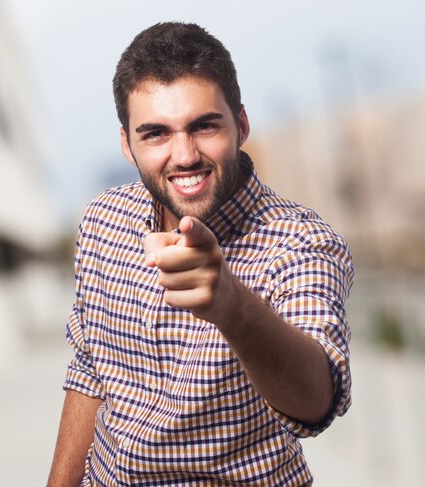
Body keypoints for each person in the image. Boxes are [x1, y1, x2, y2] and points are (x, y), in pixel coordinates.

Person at [48, 22, 353, 486]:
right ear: (127, 145)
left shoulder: (301, 241)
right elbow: (91, 368)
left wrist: (231, 305)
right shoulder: (101, 220)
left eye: (204, 125)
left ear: (241, 124)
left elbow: (317, 401)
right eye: (156, 134)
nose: (185, 154)